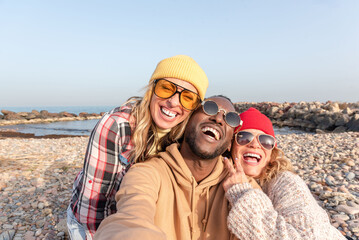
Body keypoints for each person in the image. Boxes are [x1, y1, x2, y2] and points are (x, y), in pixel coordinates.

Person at [67, 55, 209, 239]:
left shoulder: (184, 137)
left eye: (188, 98)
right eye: (166, 88)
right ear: (152, 89)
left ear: (194, 108)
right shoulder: (117, 126)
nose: (173, 102)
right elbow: (92, 206)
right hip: (94, 222)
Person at [94, 96, 247, 240]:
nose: (219, 118)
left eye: (231, 118)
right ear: (186, 122)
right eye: (209, 108)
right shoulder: (148, 173)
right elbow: (129, 220)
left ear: (229, 143)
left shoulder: (241, 188)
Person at [222, 107, 346, 240]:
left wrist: (241, 193)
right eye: (244, 137)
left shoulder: (285, 181)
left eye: (265, 141)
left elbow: (310, 237)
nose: (255, 144)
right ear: (230, 144)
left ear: (271, 152)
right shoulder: (220, 174)